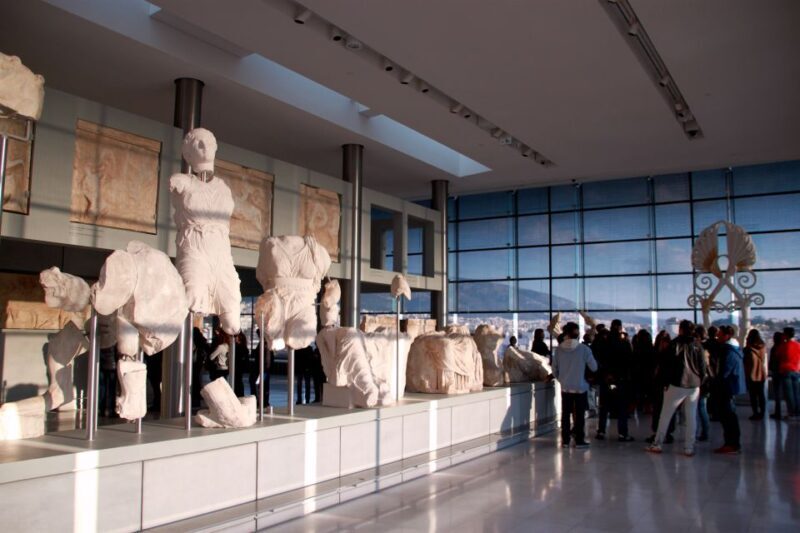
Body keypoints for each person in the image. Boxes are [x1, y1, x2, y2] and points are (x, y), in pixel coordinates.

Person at [646, 320, 706, 456]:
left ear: (681, 330)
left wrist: (664, 382)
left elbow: (665, 365)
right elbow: (702, 367)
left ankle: (657, 444)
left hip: (677, 384)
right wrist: (701, 381)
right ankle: (689, 447)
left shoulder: (675, 344)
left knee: (665, 415)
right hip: (694, 385)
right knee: (691, 417)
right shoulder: (697, 345)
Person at [553, 321, 598, 448]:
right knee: (579, 416)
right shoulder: (584, 349)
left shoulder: (559, 350)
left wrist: (561, 379)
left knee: (565, 415)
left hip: (565, 387)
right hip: (580, 387)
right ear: (578, 334)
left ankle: (565, 440)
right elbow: (594, 367)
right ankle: (579, 440)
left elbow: (554, 369)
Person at [596, 319, 635, 442]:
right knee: (622, 407)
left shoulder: (603, 342)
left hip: (606, 379)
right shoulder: (624, 342)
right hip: (621, 379)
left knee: (604, 406)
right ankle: (622, 434)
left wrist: (605, 374)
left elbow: (598, 358)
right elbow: (630, 360)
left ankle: (601, 431)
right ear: (620, 328)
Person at [713, 325, 745, 454]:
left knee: (728, 416)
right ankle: (731, 443)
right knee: (728, 416)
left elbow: (724, 372)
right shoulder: (733, 350)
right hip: (729, 387)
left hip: (726, 388)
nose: (717, 336)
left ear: (727, 336)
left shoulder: (729, 352)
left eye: (720, 334)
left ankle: (732, 444)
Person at [647, 331, 676, 444]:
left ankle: (660, 432)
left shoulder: (657, 355)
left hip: (660, 385)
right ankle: (666, 432)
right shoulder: (672, 354)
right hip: (667, 385)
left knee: (659, 409)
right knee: (665, 409)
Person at [774, 327, 800, 419]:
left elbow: (777, 355)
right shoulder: (798, 345)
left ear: (785, 335)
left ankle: (792, 413)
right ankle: (798, 412)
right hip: (796, 370)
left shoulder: (784, 346)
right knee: (797, 393)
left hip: (786, 371)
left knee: (789, 394)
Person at [743, 329, 768, 420]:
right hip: (761, 373)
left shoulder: (747, 349)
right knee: (761, 395)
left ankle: (755, 413)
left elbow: (746, 363)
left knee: (753, 396)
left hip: (751, 374)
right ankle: (763, 412)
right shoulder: (763, 346)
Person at [769, 331, 786, 420]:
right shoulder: (784, 347)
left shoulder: (774, 348)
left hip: (776, 372)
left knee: (777, 393)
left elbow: (772, 361)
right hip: (784, 371)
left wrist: (770, 369)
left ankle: (777, 412)